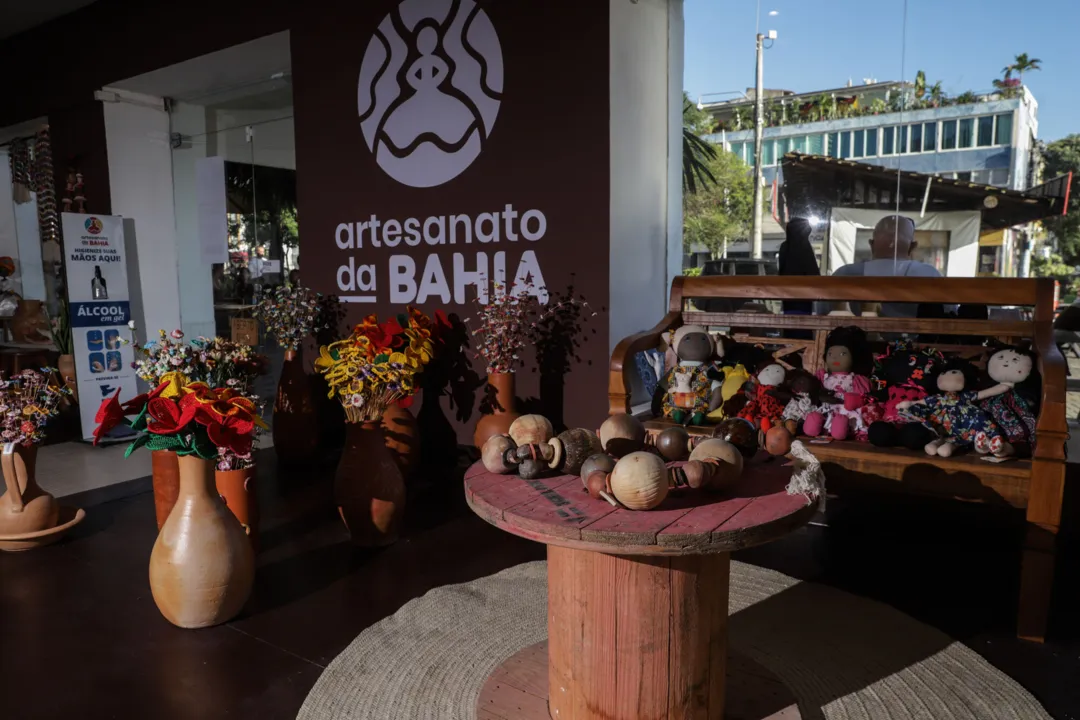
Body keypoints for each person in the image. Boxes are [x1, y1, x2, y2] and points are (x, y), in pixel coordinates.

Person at [823, 215, 943, 318]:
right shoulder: (928, 274)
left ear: (871, 244)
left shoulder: (844, 273)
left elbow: (822, 312)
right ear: (912, 246)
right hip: (911, 345)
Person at [777, 217, 820, 313]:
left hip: (787, 293)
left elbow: (781, 270)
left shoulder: (785, 246)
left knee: (789, 321)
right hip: (804, 294)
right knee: (803, 322)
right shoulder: (805, 246)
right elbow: (812, 271)